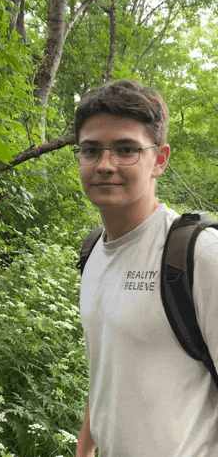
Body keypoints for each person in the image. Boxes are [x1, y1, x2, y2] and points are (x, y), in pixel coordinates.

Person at [74, 80, 218, 457]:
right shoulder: (92, 254)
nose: (105, 165)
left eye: (126, 150)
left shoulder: (200, 256)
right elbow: (107, 374)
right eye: (91, 150)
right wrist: (85, 449)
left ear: (160, 160)